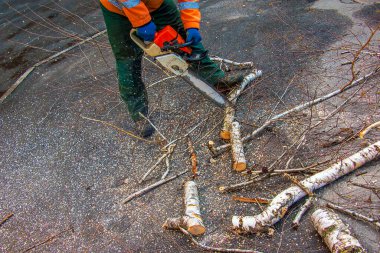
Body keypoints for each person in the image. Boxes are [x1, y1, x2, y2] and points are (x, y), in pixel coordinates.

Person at [100, 0, 244, 138]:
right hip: (118, 9)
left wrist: (191, 25)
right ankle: (139, 115)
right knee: (127, 60)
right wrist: (142, 20)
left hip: (156, 4)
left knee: (181, 33)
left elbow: (188, 1)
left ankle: (215, 77)